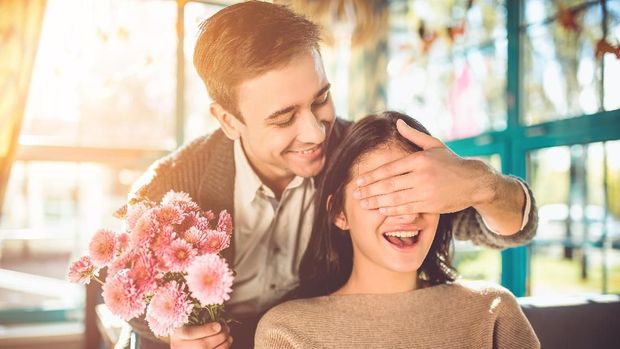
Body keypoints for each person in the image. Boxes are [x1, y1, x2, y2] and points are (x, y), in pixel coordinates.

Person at [127, 2, 538, 348]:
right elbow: (121, 291)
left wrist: (480, 184)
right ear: (228, 120)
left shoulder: (363, 154)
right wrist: (173, 331)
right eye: (283, 118)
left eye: (321, 99)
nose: (316, 132)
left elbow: (507, 228)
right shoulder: (172, 185)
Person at [254, 111, 540, 349]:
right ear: (338, 213)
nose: (407, 212)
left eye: (416, 191)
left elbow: (517, 222)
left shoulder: (492, 311)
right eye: (384, 193)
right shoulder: (287, 331)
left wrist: (480, 181)